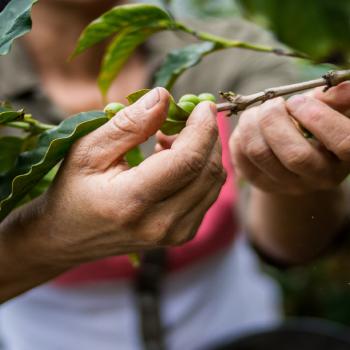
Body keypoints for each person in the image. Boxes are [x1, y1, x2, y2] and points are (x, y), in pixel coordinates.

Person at [0, 1, 350, 349]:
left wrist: (291, 178)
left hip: (240, 333)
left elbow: (296, 245)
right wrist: (48, 240)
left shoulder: (227, 52)